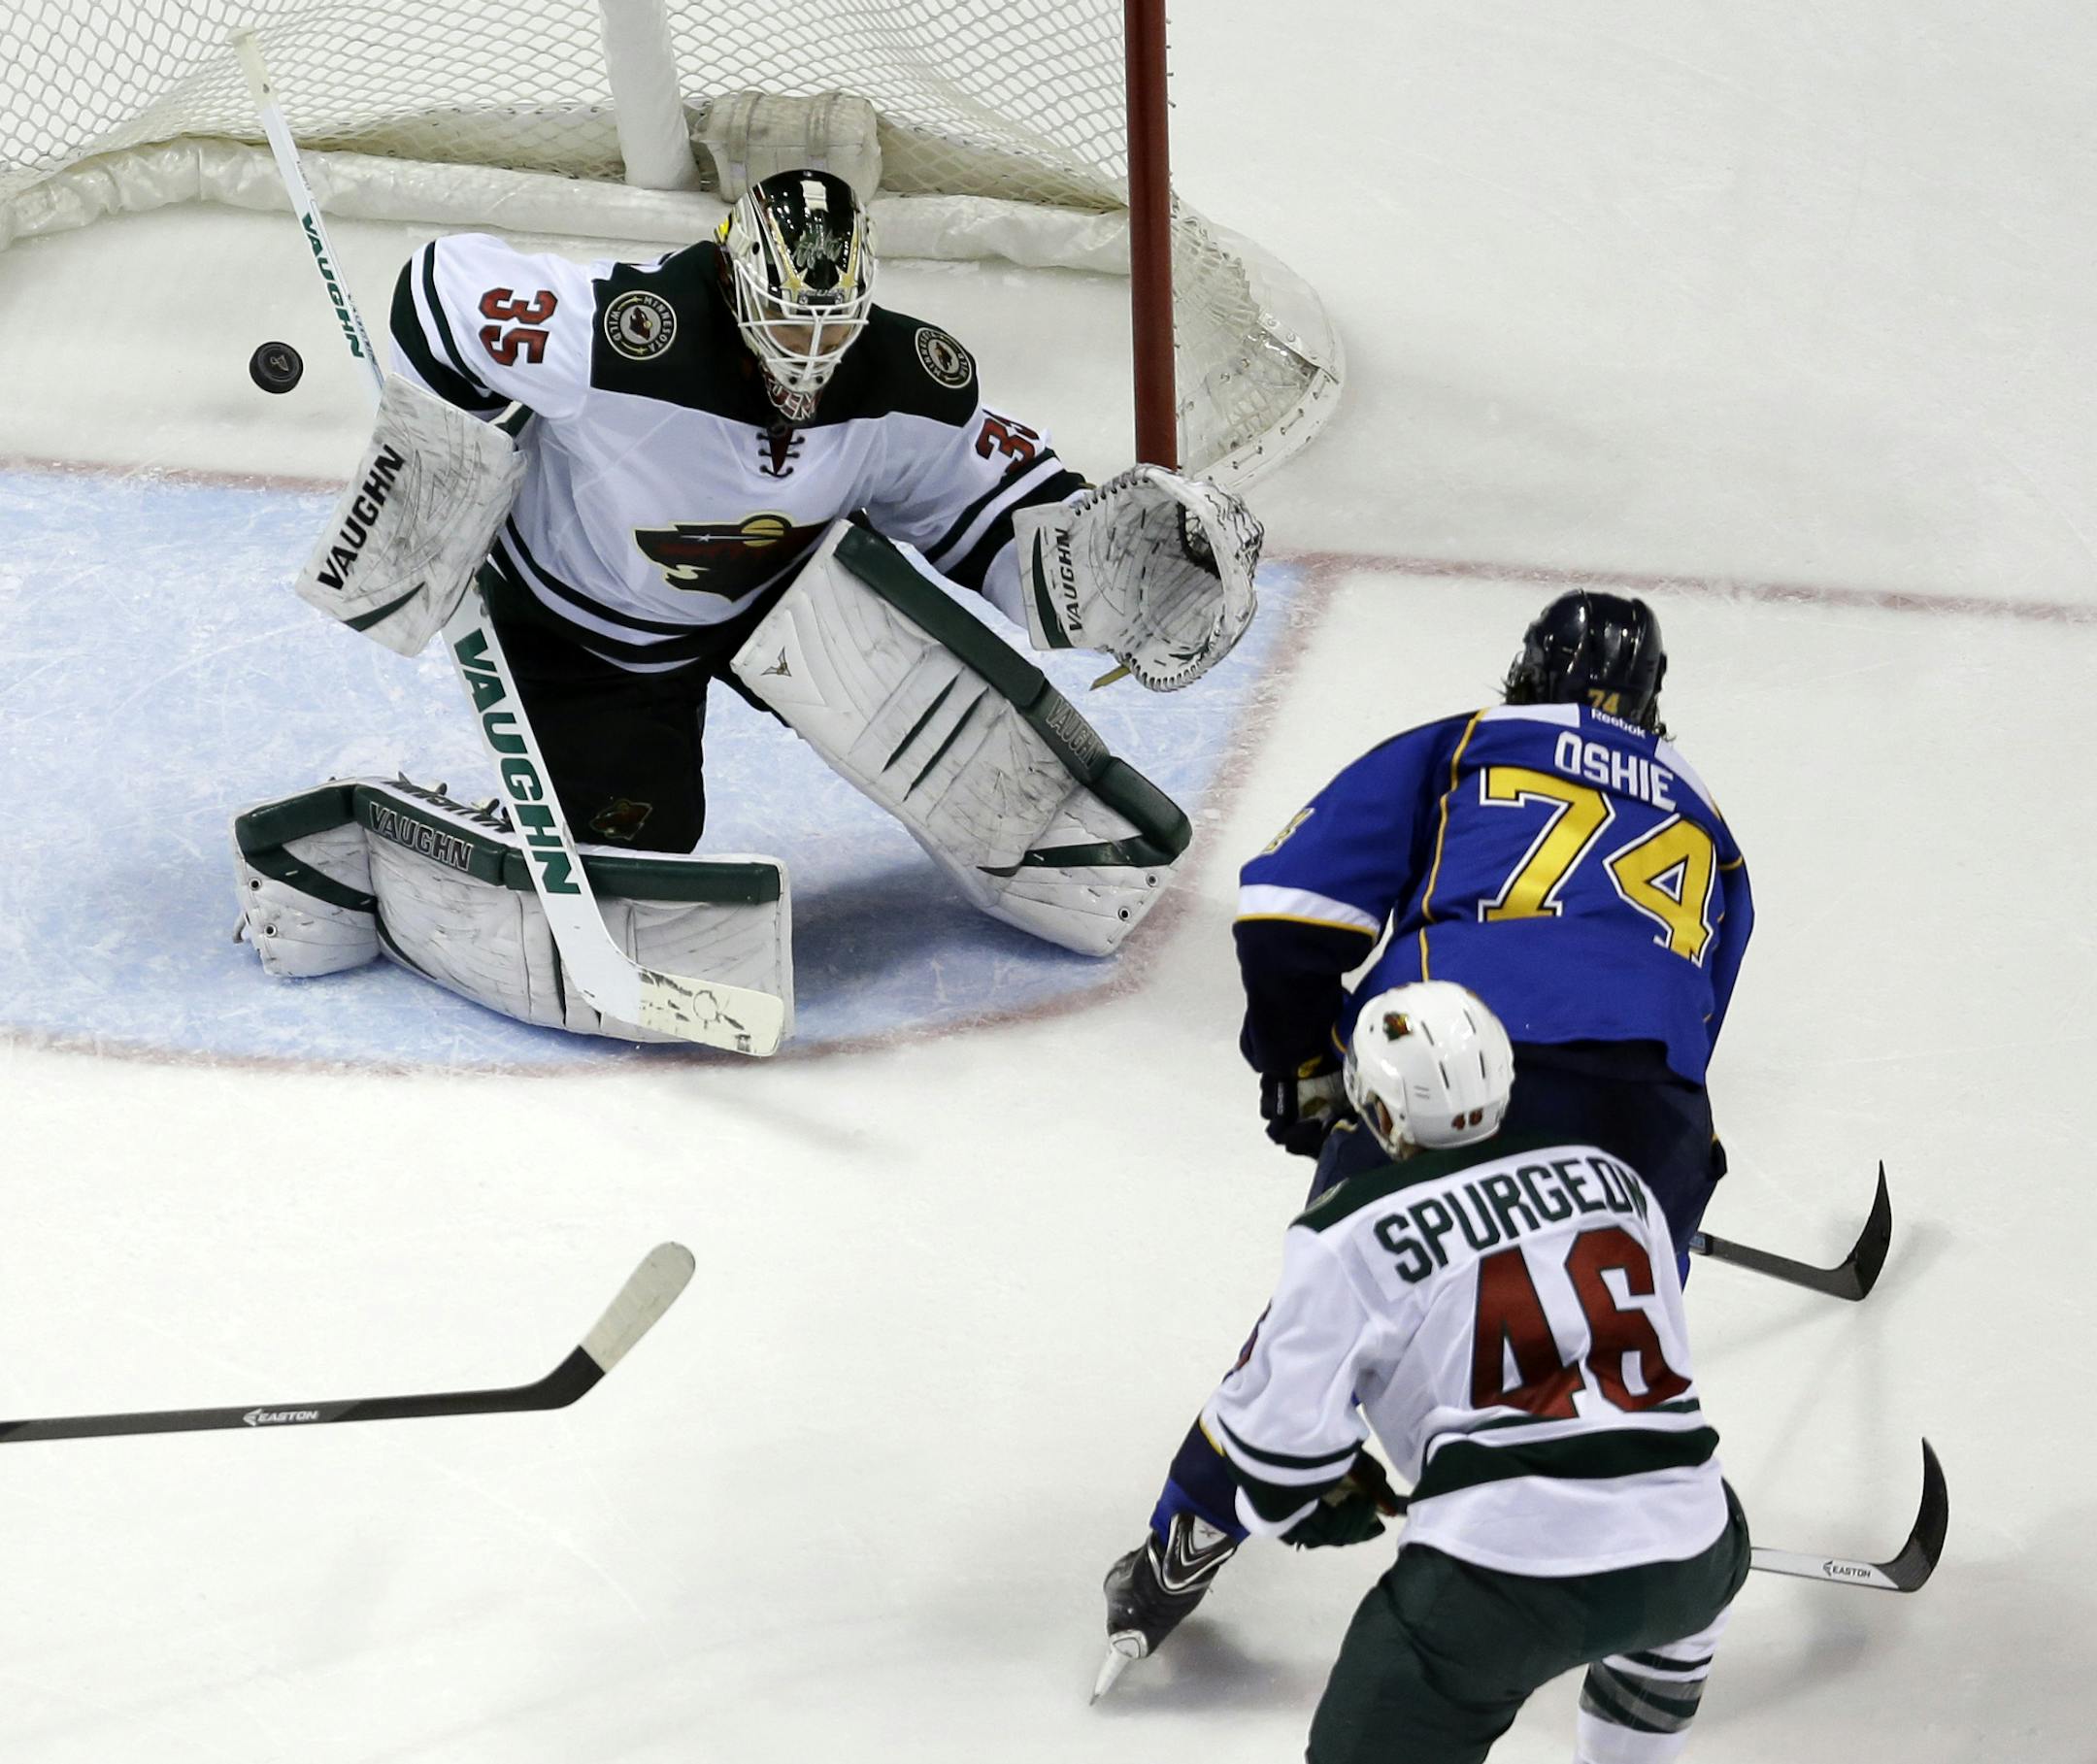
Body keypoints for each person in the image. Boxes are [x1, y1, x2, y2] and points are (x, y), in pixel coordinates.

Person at [232, 169, 1262, 1039]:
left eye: (833, 321)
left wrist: (1099, 562)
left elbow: (990, 508)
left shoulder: (908, 375)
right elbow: (437, 288)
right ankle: (359, 843)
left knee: (896, 634)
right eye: (784, 317)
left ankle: (1037, 825)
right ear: (732, 277)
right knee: (640, 858)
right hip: (585, 634)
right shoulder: (618, 334)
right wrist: (447, 453)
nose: (809, 354)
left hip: (791, 603)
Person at [1096, 982, 1751, 1764]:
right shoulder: (1622, 1186)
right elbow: (1666, 1381)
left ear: (1376, 1107)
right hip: (1697, 1545)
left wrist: (1307, 1497)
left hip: (1499, 1577)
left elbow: (1271, 1453)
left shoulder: (1344, 1230)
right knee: (1646, 1694)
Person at [1239, 590, 1750, 1262]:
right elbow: (1695, 1017)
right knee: (1595, 1362)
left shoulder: (1471, 743)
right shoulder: (1706, 818)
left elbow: (1287, 912)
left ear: (1529, 670)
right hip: (1655, 1114)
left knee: (1352, 1341)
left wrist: (1303, 1063)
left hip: (1454, 1066)